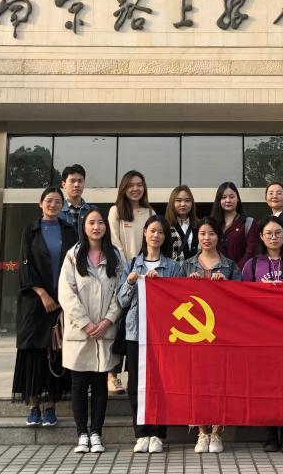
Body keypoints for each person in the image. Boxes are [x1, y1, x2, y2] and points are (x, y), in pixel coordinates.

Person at [116, 215, 183, 454]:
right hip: (136, 333)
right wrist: (130, 282)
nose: (156, 235)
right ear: (144, 232)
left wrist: (162, 285)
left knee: (161, 383)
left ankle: (157, 433)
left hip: (163, 335)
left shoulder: (173, 267)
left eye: (160, 232)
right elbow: (121, 301)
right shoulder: (131, 264)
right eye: (152, 230)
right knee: (136, 384)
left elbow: (178, 302)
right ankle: (141, 432)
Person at [58, 208, 123, 454]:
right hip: (80, 333)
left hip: (105, 332)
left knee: (99, 385)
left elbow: (120, 294)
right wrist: (86, 323)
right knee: (78, 385)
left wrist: (107, 321)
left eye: (100, 223)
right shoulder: (73, 255)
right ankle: (81, 434)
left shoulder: (115, 255)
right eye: (91, 223)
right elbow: (66, 293)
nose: (96, 227)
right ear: (84, 227)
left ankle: (96, 432)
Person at [240, 216, 283, 452]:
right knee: (266, 384)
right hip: (262, 335)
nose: (273, 237)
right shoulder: (252, 265)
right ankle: (270, 432)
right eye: (268, 233)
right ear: (261, 236)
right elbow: (242, 299)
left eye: (278, 233)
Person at [12, 187, 77, 428]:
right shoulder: (30, 230)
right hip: (34, 301)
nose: (53, 205)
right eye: (49, 201)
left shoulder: (69, 230)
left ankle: (50, 406)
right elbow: (25, 264)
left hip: (61, 301)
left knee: (56, 350)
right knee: (33, 351)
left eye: (58, 201)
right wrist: (42, 293)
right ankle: (33, 405)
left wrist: (65, 296)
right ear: (40, 204)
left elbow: (75, 264)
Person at [181, 217, 240, 454]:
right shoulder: (186, 265)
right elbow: (174, 299)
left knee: (220, 382)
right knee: (196, 382)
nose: (207, 238)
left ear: (219, 237)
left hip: (222, 334)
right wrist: (187, 285)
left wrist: (227, 285)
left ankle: (216, 432)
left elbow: (242, 299)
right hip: (194, 336)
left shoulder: (230, 266)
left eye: (212, 233)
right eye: (203, 233)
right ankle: (201, 432)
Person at [107, 169, 155, 395]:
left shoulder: (150, 212)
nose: (136, 189)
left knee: (138, 329)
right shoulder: (116, 211)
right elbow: (115, 244)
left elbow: (154, 240)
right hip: (123, 276)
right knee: (118, 325)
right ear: (124, 188)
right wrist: (130, 271)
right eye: (131, 185)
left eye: (139, 184)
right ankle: (112, 375)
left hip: (146, 278)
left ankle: (135, 376)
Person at [210, 181, 257, 269]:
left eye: (232, 197)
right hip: (215, 273)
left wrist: (235, 271)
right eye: (223, 197)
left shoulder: (249, 223)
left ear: (237, 198)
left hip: (239, 274)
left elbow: (250, 253)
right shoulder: (212, 224)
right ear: (219, 200)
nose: (228, 200)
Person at [164, 184, 199, 262]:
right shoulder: (165, 226)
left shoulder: (199, 225)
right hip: (174, 269)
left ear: (192, 203)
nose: (183, 204)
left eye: (187, 200)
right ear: (172, 203)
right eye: (179, 200)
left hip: (196, 268)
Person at [58, 164, 96, 237]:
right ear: (63, 184)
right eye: (72, 181)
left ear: (84, 183)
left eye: (80, 181)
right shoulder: (57, 211)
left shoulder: (93, 211)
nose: (76, 185)